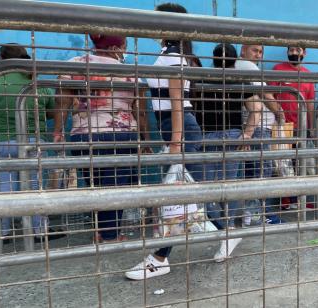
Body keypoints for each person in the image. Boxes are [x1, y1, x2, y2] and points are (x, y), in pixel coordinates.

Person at [125, 2, 204, 280]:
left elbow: (177, 102)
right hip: (176, 126)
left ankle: (160, 257)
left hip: (178, 126)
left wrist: (176, 141)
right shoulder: (173, 54)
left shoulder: (173, 57)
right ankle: (229, 231)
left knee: (176, 193)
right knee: (192, 190)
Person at [54, 34, 150, 242]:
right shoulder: (130, 71)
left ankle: (103, 231)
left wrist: (58, 131)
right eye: (124, 47)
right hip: (121, 135)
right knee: (116, 187)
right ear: (115, 47)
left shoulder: (75, 64)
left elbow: (62, 101)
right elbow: (140, 111)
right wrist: (145, 139)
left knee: (93, 185)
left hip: (83, 134)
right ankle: (110, 235)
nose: (124, 51)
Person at [196, 43, 261, 261]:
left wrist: (247, 133)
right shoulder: (239, 79)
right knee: (228, 185)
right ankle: (229, 230)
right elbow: (256, 108)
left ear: (213, 59)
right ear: (236, 60)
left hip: (207, 136)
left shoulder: (202, 78)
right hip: (231, 135)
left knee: (205, 188)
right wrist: (248, 134)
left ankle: (225, 231)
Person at [0, 44, 66, 243]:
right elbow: (51, 111)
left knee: (4, 186)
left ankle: (2, 233)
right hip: (32, 140)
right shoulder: (36, 82)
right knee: (34, 186)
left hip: (1, 140)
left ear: (1, 59)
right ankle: (39, 231)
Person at [235, 44, 285, 224]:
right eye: (254, 50)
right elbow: (266, 95)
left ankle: (251, 215)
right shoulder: (247, 66)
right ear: (243, 50)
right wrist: (280, 114)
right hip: (258, 127)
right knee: (262, 171)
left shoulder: (239, 66)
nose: (258, 54)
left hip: (252, 127)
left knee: (254, 171)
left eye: (261, 51)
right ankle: (264, 216)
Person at [269, 46, 316, 209]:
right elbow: (270, 96)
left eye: (297, 50)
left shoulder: (307, 75)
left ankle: (300, 199)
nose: (294, 53)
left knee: (300, 163)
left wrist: (312, 128)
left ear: (304, 53)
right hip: (282, 125)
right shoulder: (278, 70)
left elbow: (310, 104)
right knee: (282, 163)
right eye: (291, 50)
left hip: (301, 127)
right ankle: (286, 199)